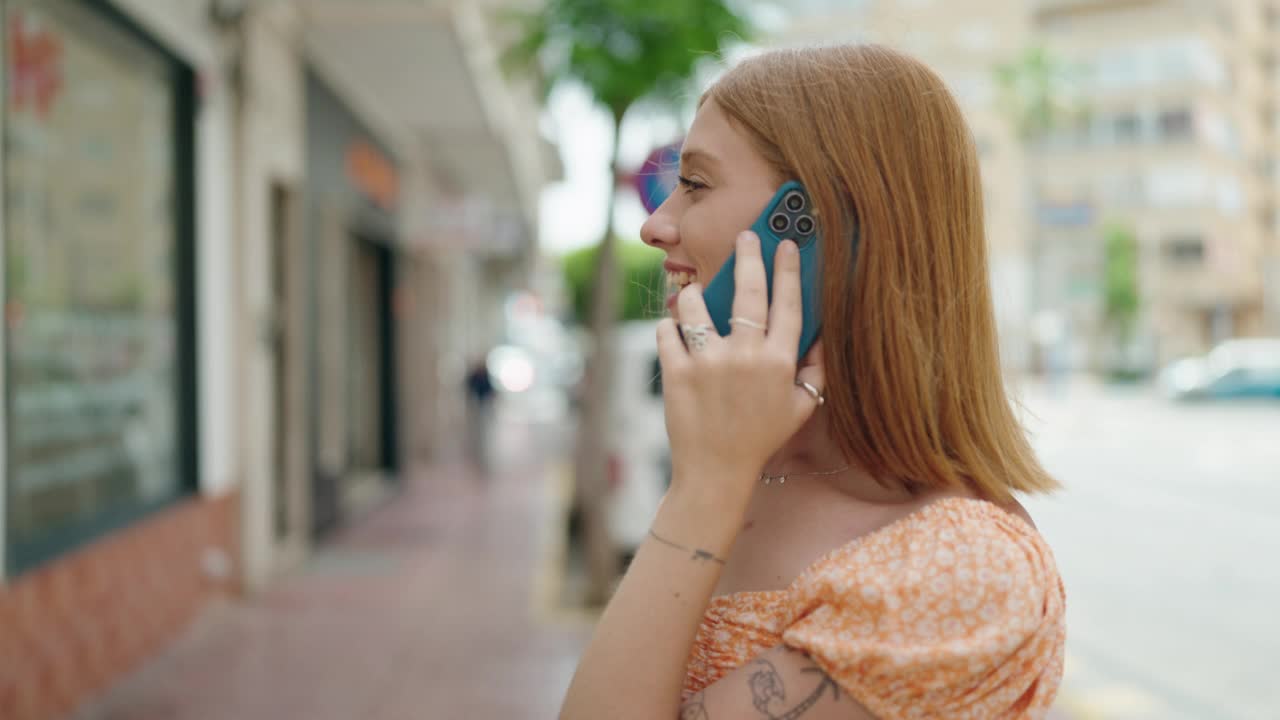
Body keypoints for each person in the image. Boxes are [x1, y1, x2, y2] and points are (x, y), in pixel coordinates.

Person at [559, 44, 1066, 720]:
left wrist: (704, 488)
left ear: (823, 229)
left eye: (698, 185)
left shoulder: (960, 569)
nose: (656, 224)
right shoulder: (754, 469)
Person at [464, 353, 496, 474]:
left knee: (483, 429)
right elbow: (468, 389)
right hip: (475, 405)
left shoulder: (486, 376)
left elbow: (490, 390)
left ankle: (481, 449)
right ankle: (474, 449)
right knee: (475, 429)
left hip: (484, 406)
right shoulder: (474, 376)